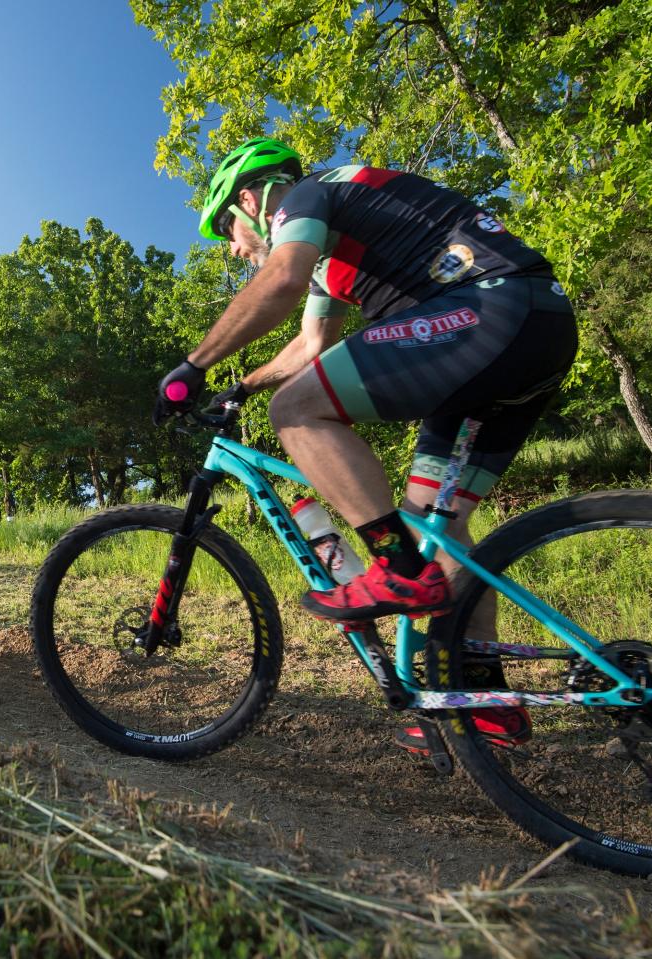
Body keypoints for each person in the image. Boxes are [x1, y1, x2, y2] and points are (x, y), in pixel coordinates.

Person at [152, 136, 578, 755]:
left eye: (229, 234)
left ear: (249, 200)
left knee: (295, 410)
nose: (238, 251)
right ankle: (485, 699)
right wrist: (238, 384)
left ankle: (396, 569)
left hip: (485, 308)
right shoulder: (331, 235)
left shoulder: (304, 196)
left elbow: (280, 278)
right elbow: (310, 345)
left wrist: (191, 366)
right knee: (439, 527)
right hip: (532, 328)